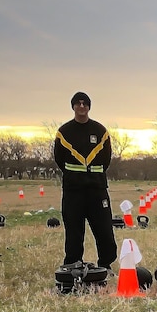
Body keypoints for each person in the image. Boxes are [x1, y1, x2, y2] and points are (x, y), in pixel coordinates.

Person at [53, 92, 117, 273]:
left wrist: (93, 175)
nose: (81, 106)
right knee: (74, 230)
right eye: (78, 103)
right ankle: (73, 264)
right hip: (73, 190)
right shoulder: (64, 132)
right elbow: (59, 159)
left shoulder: (100, 131)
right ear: (73, 106)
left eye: (85, 103)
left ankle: (105, 264)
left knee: (104, 228)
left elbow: (106, 160)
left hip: (97, 189)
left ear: (89, 106)